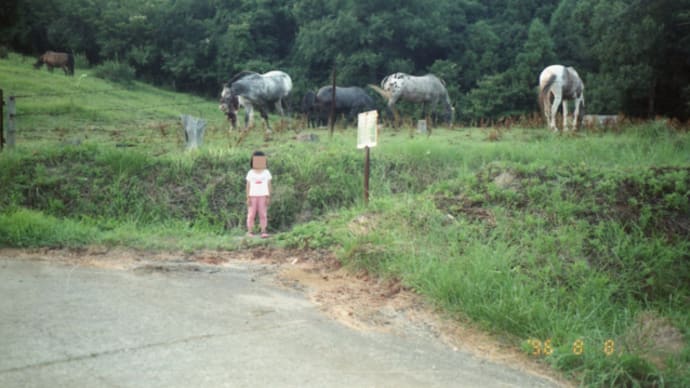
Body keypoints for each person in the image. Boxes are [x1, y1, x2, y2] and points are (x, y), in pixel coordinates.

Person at [246, 150, 272, 238]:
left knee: (263, 214)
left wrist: (268, 197)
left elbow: (269, 185)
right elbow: (248, 185)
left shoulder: (266, 172)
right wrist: (248, 197)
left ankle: (263, 231)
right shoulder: (250, 172)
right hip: (252, 196)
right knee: (251, 214)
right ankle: (250, 231)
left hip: (263, 196)